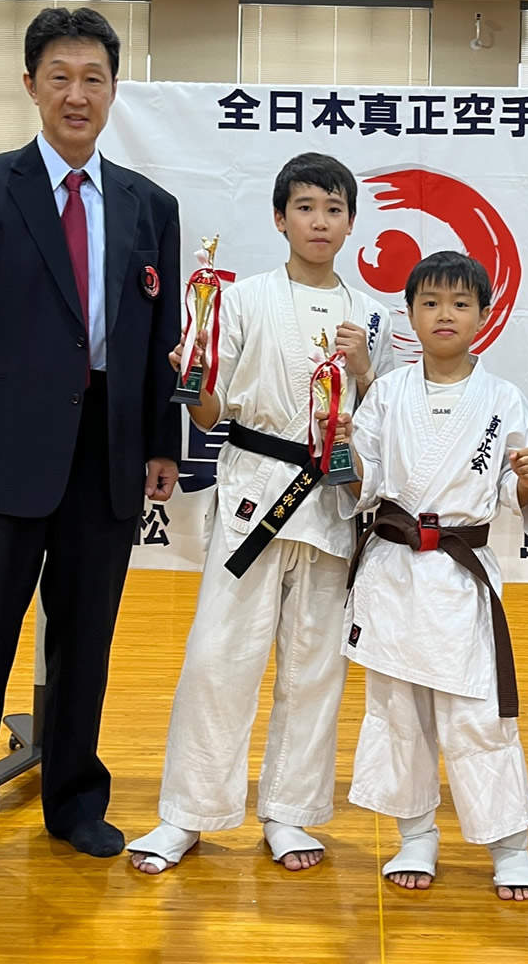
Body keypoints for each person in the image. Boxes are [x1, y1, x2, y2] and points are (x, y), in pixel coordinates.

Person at [0, 7, 181, 888]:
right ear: (31, 85)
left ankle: (75, 801)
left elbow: (158, 338)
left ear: (113, 90)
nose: (77, 94)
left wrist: (159, 443)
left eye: (93, 78)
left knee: (85, 642)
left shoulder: (151, 206)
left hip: (107, 453)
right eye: (60, 77)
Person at [128, 153, 394, 875]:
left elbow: (383, 425)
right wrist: (191, 375)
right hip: (255, 492)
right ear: (280, 218)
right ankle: (187, 814)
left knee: (314, 668)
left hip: (332, 501)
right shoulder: (242, 299)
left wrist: (365, 371)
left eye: (333, 209)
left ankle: (290, 811)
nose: (319, 221)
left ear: (351, 222)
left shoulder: (374, 314)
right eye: (305, 207)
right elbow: (209, 413)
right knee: (219, 656)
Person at [330, 250, 528, 901]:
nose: (445, 314)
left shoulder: (503, 399)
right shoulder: (388, 393)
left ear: (484, 315)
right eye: (430, 303)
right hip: (395, 571)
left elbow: (522, 494)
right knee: (399, 711)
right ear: (410, 315)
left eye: (460, 303)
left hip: (460, 576)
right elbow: (364, 484)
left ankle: (510, 846)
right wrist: (338, 446)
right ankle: (415, 835)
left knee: (480, 712)